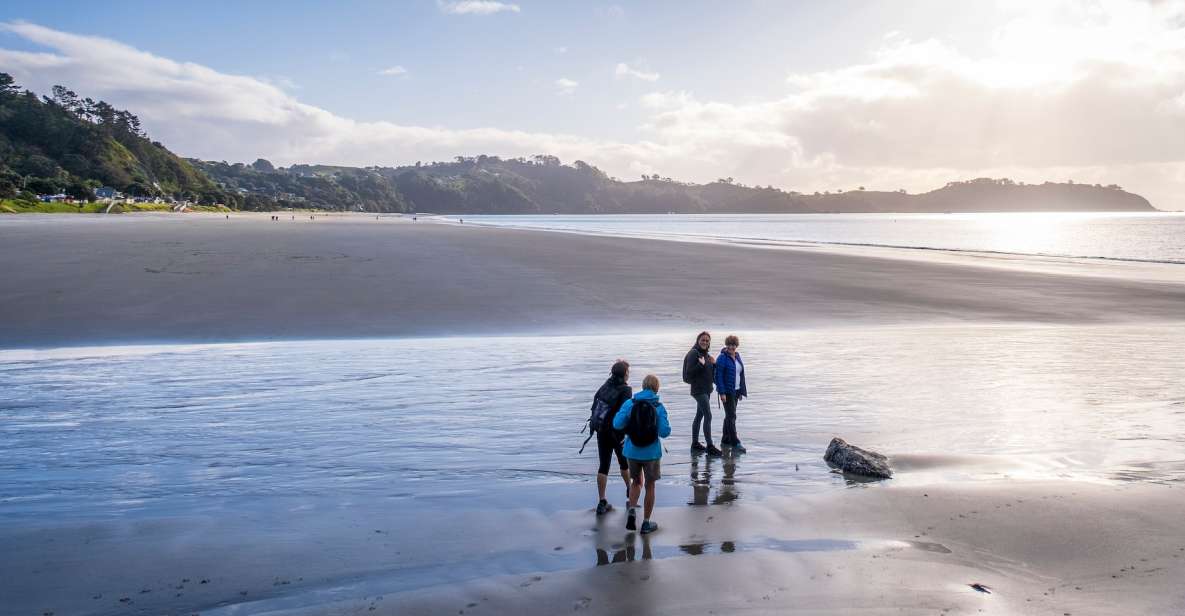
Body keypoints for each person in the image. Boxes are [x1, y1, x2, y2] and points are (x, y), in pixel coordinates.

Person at [612, 374, 671, 534]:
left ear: (643, 386)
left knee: (636, 481)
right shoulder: (659, 407)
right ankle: (645, 523)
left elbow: (617, 424)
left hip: (632, 450)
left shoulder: (630, 403)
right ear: (656, 388)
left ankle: (632, 510)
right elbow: (665, 432)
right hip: (651, 453)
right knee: (650, 485)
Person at [589, 360, 633, 515]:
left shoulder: (606, 385)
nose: (629, 373)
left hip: (601, 430)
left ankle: (602, 501)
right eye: (628, 371)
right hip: (616, 432)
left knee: (604, 465)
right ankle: (630, 490)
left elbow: (595, 404)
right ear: (624, 374)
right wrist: (628, 433)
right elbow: (625, 413)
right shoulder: (626, 390)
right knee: (624, 463)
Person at [682, 331, 721, 456]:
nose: (705, 342)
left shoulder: (706, 355)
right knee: (708, 415)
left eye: (707, 340)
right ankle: (710, 446)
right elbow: (688, 374)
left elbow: (709, 373)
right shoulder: (694, 353)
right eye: (702, 340)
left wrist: (714, 364)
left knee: (699, 416)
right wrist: (700, 364)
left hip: (706, 389)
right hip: (698, 390)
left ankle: (695, 444)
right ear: (698, 340)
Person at [714, 335, 748, 453]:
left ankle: (725, 439)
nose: (732, 347)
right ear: (726, 345)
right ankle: (735, 442)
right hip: (727, 392)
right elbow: (718, 376)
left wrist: (741, 391)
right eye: (729, 344)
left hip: (736, 391)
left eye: (734, 345)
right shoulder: (722, 358)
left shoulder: (737, 356)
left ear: (736, 345)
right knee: (731, 416)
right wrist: (722, 392)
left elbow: (740, 374)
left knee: (729, 415)